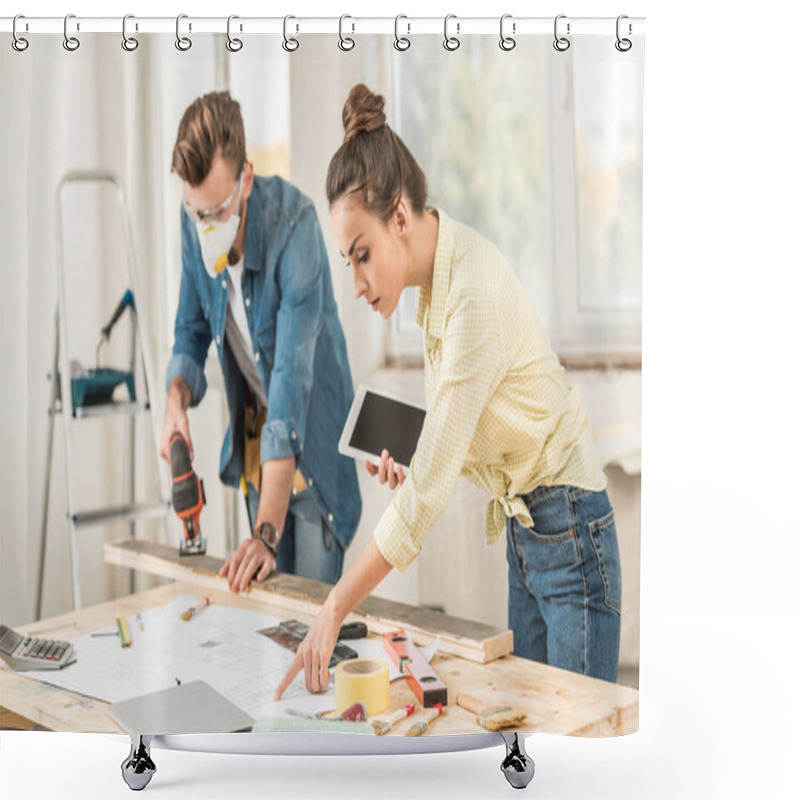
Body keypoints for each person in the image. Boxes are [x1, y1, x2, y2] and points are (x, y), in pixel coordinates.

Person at [275, 84, 622, 699]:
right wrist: (422, 452)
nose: (355, 281)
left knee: (576, 743)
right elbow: (462, 426)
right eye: (346, 262)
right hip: (527, 532)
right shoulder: (432, 288)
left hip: (570, 531)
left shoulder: (470, 292)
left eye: (361, 256)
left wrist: (333, 607)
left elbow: (428, 496)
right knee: (533, 728)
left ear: (400, 218)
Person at [160, 90, 361, 591]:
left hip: (312, 449)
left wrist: (264, 535)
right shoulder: (196, 224)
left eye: (217, 211)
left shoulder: (296, 227)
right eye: (195, 212)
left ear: (246, 179)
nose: (205, 226)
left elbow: (291, 388)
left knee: (309, 628)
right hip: (258, 451)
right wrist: (175, 403)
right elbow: (190, 330)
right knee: (265, 625)